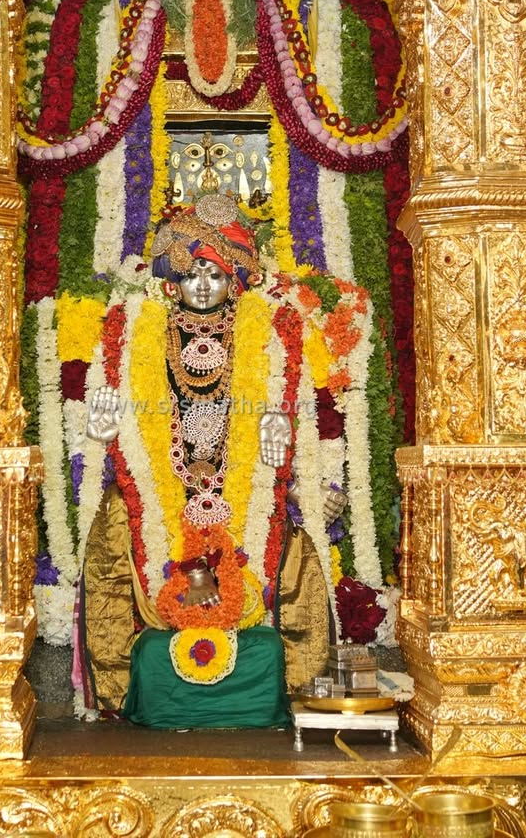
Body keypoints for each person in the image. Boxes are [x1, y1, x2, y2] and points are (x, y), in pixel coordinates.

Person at [79, 194, 345, 725]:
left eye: (218, 274)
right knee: (115, 525)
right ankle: (123, 684)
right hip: (162, 483)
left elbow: (293, 416)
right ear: (173, 280)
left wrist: (296, 468)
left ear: (236, 283)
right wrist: (103, 421)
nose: (203, 284)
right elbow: (106, 429)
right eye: (194, 271)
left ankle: (294, 686)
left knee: (290, 544)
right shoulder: (138, 332)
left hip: (243, 483)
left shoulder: (269, 334)